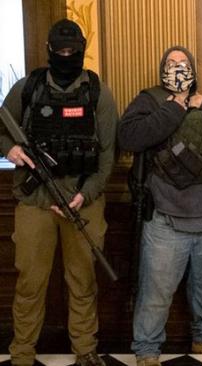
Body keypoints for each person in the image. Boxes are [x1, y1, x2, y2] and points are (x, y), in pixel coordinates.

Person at [0, 19, 117, 366]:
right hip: (35, 202)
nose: (67, 56)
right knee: (30, 283)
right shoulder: (28, 87)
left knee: (82, 281)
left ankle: (85, 350)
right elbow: (1, 127)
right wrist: (9, 150)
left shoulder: (97, 92)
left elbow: (108, 152)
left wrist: (87, 194)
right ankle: (22, 353)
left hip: (84, 201)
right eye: (61, 50)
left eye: (73, 51)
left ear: (81, 51)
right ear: (49, 50)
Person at [118, 46, 202, 366]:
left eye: (183, 63)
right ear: (162, 68)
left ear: (193, 69)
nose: (178, 67)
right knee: (156, 289)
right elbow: (129, 138)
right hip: (165, 216)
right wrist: (174, 107)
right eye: (171, 63)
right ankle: (147, 349)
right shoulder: (149, 99)